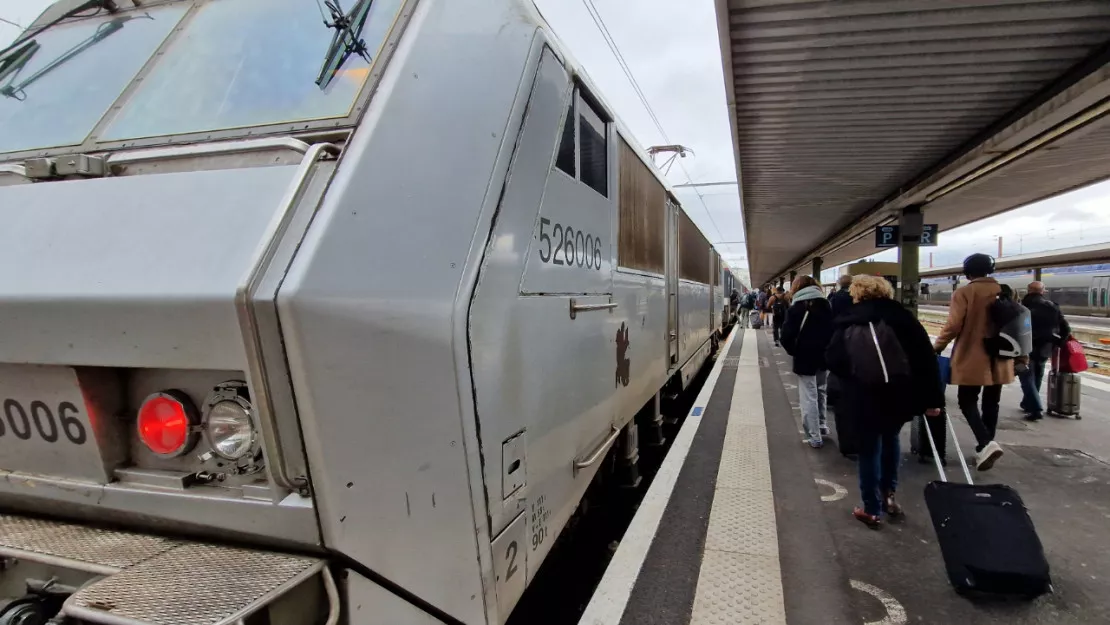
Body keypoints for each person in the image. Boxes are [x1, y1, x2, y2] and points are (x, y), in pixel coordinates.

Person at [825, 275, 944, 529]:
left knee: (868, 450)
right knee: (891, 440)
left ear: (856, 293)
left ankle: (871, 509)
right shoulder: (902, 318)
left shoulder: (847, 320)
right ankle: (889, 495)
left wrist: (851, 379)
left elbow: (833, 360)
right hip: (898, 394)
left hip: (863, 395)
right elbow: (926, 360)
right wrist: (932, 400)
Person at [933, 253, 1012, 471]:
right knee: (992, 401)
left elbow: (953, 325)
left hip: (974, 355)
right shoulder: (1004, 291)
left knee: (967, 400)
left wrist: (937, 347)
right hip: (1001, 355)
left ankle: (986, 443)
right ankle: (984, 447)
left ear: (968, 271)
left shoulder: (965, 292)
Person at [781, 275, 834, 448]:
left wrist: (795, 351)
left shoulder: (796, 308)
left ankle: (814, 436)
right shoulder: (826, 305)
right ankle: (822, 425)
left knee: (808, 396)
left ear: (797, 287)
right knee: (821, 391)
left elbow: (786, 337)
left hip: (805, 357)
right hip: (824, 356)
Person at [1020, 281, 1071, 420]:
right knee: (1037, 375)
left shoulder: (1023, 306)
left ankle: (1035, 408)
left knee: (1027, 376)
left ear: (1028, 290)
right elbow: (1065, 327)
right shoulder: (1053, 306)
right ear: (1043, 291)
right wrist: (1059, 343)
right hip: (1045, 347)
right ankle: (1027, 403)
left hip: (1027, 346)